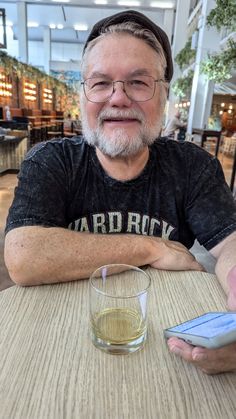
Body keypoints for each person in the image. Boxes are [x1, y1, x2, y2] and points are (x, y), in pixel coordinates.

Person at [4, 10, 236, 374]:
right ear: (83, 94)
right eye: (100, 83)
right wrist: (151, 247)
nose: (118, 98)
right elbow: (23, 256)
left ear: (164, 96)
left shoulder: (192, 166)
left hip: (164, 346)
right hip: (56, 348)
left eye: (139, 82)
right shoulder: (52, 161)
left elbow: (231, 244)